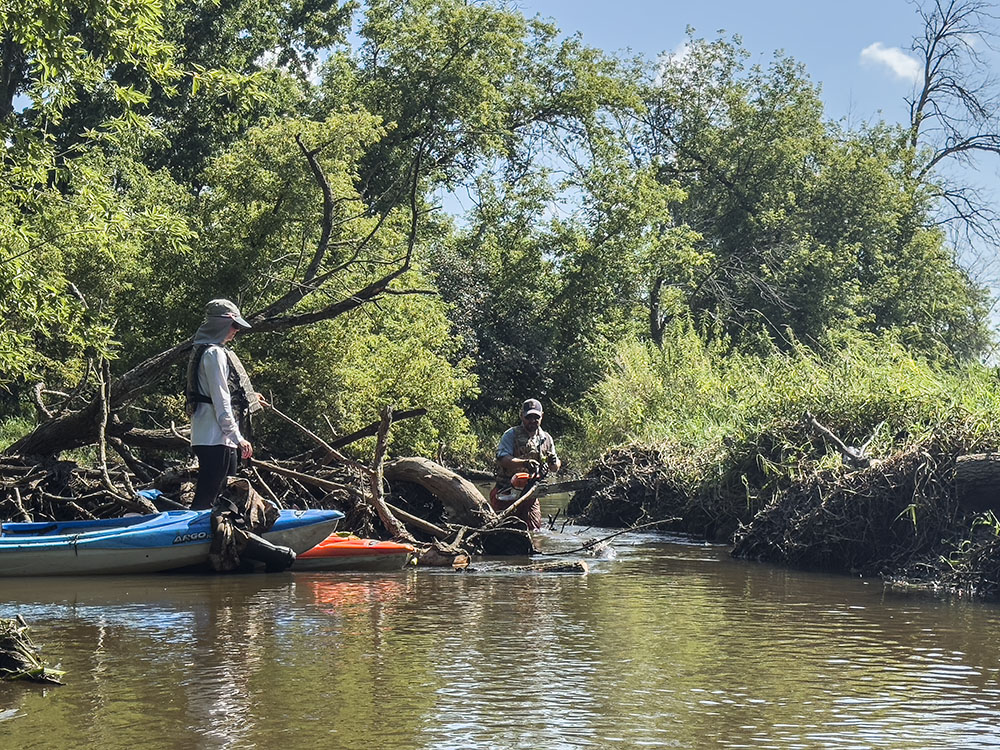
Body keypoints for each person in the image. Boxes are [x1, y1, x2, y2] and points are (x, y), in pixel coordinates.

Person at [185, 298, 265, 510]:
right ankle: (191, 539)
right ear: (220, 324)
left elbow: (222, 392)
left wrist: (251, 396)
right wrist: (238, 438)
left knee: (223, 499)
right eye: (234, 325)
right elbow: (221, 401)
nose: (236, 330)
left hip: (218, 439)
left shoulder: (211, 351)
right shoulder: (213, 354)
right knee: (206, 499)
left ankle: (223, 538)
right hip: (215, 438)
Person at [491, 398, 561, 530]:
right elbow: (502, 459)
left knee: (535, 532)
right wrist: (524, 463)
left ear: (542, 416)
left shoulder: (546, 438)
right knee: (503, 530)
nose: (533, 421)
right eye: (529, 417)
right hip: (506, 493)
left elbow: (555, 467)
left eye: (536, 417)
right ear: (521, 416)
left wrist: (554, 462)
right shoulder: (511, 435)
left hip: (531, 496)